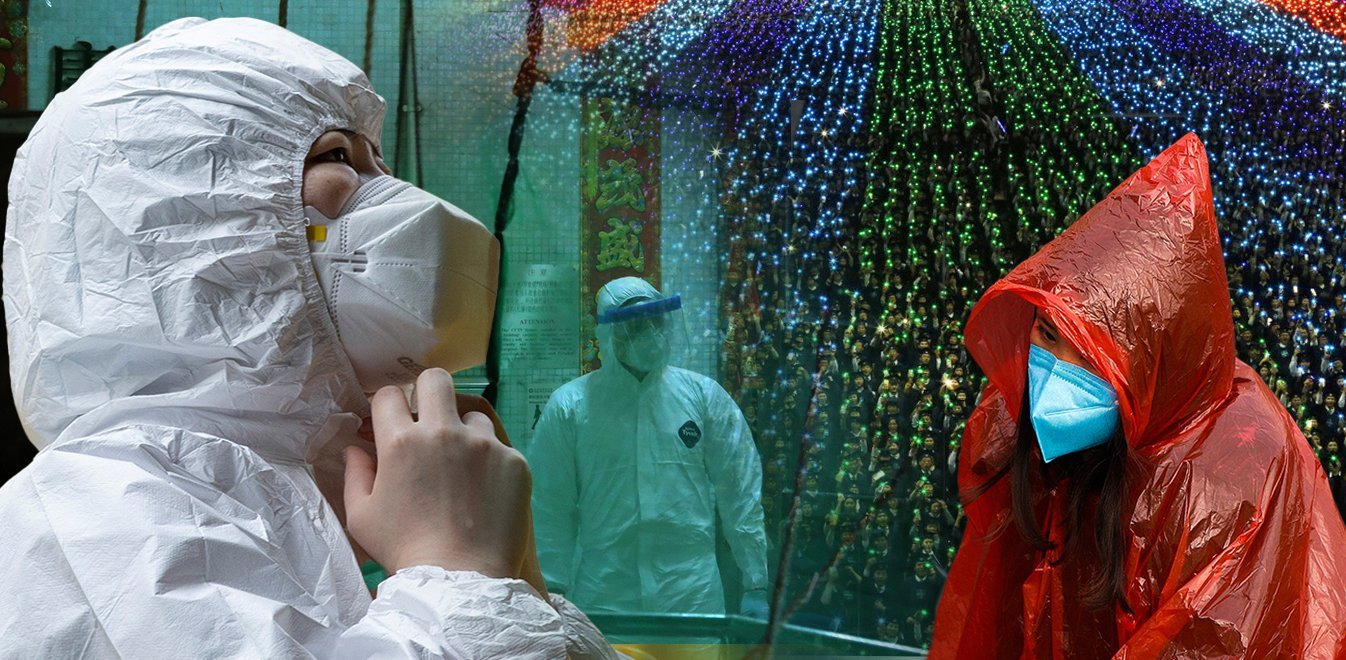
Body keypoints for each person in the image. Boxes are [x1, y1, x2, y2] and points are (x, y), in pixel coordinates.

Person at [0, 17, 616, 658]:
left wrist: (511, 576)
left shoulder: (278, 485)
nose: (401, 197)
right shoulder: (106, 512)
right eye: (338, 157)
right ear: (183, 220)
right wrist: (463, 575)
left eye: (380, 161)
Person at [930, 134, 1346, 658]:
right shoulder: (1014, 415)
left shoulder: (1229, 479)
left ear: (1155, 363)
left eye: (1095, 355)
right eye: (1049, 334)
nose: (1058, 375)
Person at [528, 276, 770, 618]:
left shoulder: (703, 397)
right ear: (609, 334)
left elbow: (740, 491)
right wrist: (551, 589)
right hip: (606, 599)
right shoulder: (570, 407)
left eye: (656, 321)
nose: (650, 333)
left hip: (691, 597)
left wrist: (756, 581)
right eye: (636, 325)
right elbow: (549, 507)